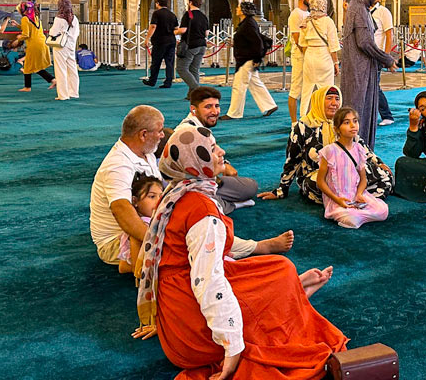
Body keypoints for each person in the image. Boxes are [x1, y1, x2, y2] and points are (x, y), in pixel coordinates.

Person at [133, 125, 347, 378]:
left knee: (280, 268)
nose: (221, 152)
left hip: (178, 314)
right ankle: (288, 298)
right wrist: (232, 351)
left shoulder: (176, 192)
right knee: (277, 277)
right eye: (212, 149)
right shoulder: (200, 209)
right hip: (195, 337)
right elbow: (208, 285)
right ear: (195, 162)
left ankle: (291, 293)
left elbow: (204, 249)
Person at [259, 85, 394, 203]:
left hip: (346, 172)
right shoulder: (303, 126)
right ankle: (358, 198)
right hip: (318, 176)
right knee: (314, 185)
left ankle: (350, 199)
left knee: (385, 175)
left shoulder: (343, 122)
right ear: (318, 101)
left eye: (337, 99)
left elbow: (360, 146)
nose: (334, 103)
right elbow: (293, 160)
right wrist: (282, 189)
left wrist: (378, 162)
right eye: (329, 98)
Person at [90, 105, 165, 266]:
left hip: (148, 225)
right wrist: (160, 243)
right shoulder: (118, 164)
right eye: (159, 131)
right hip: (116, 242)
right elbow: (121, 209)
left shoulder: (147, 153)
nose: (162, 135)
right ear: (143, 135)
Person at [179, 86, 261, 213]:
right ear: (193, 109)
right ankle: (228, 205)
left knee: (251, 186)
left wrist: (225, 165)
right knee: (202, 206)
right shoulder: (189, 132)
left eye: (216, 106)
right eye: (208, 107)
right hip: (190, 186)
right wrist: (222, 168)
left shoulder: (198, 126)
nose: (215, 111)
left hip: (205, 182)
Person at [340, 0, 395, 149]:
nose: (378, 0)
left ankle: (361, 150)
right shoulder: (359, 9)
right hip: (359, 70)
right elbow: (364, 42)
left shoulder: (360, 7)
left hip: (362, 68)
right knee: (358, 110)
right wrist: (386, 58)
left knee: (361, 109)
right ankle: (357, 150)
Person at [315, 107, 390, 229]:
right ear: (337, 129)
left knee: (383, 211)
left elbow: (363, 179)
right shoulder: (329, 151)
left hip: (356, 196)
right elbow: (320, 181)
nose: (352, 125)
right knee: (351, 218)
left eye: (355, 121)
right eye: (346, 122)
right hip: (337, 198)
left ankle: (359, 216)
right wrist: (337, 199)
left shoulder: (359, 149)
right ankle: (355, 217)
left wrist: (359, 194)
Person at [222, 2, 278, 120]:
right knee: (255, 83)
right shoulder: (247, 23)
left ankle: (234, 113)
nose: (236, 9)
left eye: (239, 7)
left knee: (239, 85)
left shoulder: (248, 24)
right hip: (246, 58)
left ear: (244, 11)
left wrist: (257, 58)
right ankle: (270, 105)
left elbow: (257, 42)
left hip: (247, 59)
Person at [299, 0, 340, 117]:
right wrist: (336, 63)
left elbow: (302, 44)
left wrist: (308, 56)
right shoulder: (328, 22)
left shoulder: (306, 21)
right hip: (324, 57)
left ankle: (304, 118)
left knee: (307, 90)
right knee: (326, 91)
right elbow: (333, 46)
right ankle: (326, 118)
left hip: (309, 56)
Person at [117, 174, 163, 274]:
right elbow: (129, 267)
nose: (159, 201)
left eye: (161, 196)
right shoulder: (140, 226)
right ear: (135, 201)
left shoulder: (157, 220)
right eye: (152, 196)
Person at [13, 0, 55, 92]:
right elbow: (31, 29)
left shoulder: (25, 19)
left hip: (34, 45)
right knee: (33, 66)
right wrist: (17, 25)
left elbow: (26, 34)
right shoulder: (35, 17)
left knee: (29, 66)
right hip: (42, 43)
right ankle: (51, 80)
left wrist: (18, 39)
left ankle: (28, 87)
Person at [174, 0, 210, 100]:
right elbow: (207, 33)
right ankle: (192, 95)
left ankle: (198, 90)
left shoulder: (188, 14)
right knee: (194, 70)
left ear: (190, 3)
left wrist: (173, 32)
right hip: (202, 45)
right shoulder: (203, 16)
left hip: (191, 45)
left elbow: (183, 30)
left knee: (181, 68)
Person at [287, 0, 313, 122]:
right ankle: (294, 122)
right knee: (296, 89)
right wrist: (307, 54)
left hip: (308, 56)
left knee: (309, 89)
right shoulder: (296, 14)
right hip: (299, 56)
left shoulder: (309, 14)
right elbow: (297, 39)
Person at [142, 0, 179, 88]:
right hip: (171, 41)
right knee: (169, 63)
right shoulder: (172, 14)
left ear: (158, 4)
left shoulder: (156, 13)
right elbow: (176, 28)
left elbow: (153, 26)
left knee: (156, 62)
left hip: (160, 41)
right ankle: (168, 82)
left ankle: (152, 80)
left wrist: (147, 38)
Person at [370, 0, 395, 126]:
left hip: (377, 55)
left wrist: (386, 57)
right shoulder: (364, 11)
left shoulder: (383, 12)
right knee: (369, 86)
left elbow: (389, 35)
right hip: (365, 55)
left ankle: (387, 115)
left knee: (374, 86)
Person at [49, 0, 80, 100]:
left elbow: (53, 33)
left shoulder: (59, 19)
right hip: (71, 46)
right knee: (73, 70)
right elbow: (77, 33)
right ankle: (74, 92)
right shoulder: (75, 18)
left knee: (60, 70)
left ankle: (63, 95)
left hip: (60, 47)